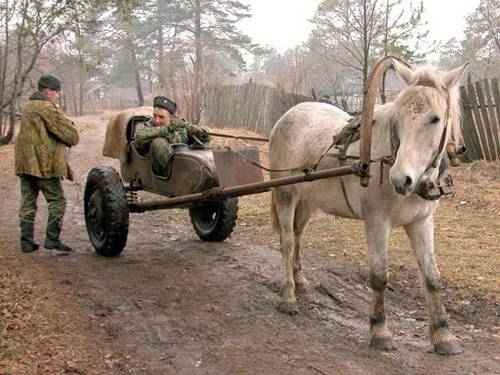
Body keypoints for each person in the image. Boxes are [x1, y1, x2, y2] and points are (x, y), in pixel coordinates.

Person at [14, 74, 79, 253]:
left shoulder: (27, 106)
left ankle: (26, 241)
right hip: (44, 165)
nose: (57, 95)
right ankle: (52, 239)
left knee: (28, 201)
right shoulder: (47, 108)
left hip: (25, 164)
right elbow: (71, 136)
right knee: (57, 201)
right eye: (56, 92)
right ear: (48, 91)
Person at [134, 96, 211, 176]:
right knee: (159, 142)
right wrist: (167, 129)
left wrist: (198, 131)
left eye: (161, 117)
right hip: (158, 169)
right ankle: (175, 175)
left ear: (171, 117)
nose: (157, 120)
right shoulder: (149, 125)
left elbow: (208, 135)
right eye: (155, 115)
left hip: (183, 164)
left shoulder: (180, 125)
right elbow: (139, 137)